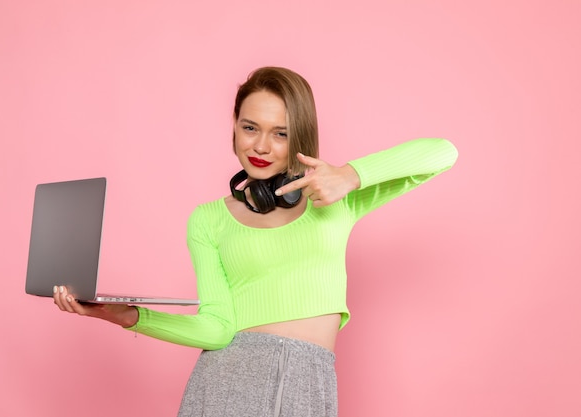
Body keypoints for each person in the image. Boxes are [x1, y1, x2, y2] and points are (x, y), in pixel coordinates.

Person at [53, 66, 458, 416]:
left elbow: (442, 153)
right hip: (227, 382)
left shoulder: (334, 199)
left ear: (299, 136)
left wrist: (350, 174)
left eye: (280, 133)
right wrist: (127, 317)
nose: (261, 146)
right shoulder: (209, 219)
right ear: (234, 125)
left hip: (309, 382)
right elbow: (216, 329)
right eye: (250, 128)